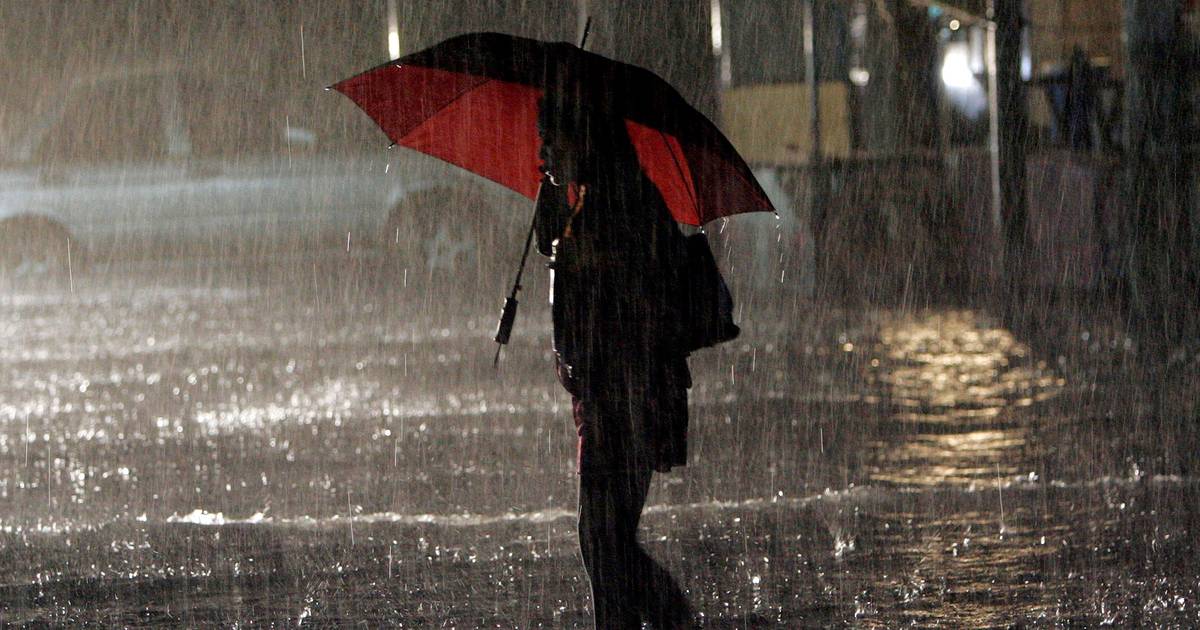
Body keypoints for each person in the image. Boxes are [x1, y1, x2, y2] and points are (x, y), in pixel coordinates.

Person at [534, 91, 695, 629]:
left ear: (583, 140)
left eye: (550, 141)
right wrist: (551, 193)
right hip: (604, 395)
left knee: (604, 539)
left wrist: (592, 261)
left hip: (629, 392)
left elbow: (643, 294)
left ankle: (673, 623)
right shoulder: (588, 197)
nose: (543, 155)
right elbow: (548, 246)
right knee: (603, 539)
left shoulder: (626, 200)